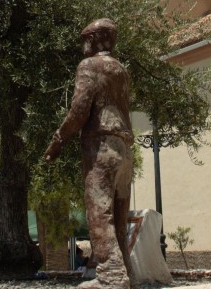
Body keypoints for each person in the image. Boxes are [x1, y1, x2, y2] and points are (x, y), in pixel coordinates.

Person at [44, 18, 134, 289]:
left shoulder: (89, 66)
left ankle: (112, 276)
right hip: (125, 147)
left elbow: (79, 110)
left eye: (87, 38)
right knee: (119, 215)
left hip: (101, 145)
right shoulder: (121, 70)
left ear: (97, 39)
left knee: (99, 211)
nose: (84, 44)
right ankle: (128, 273)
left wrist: (58, 140)